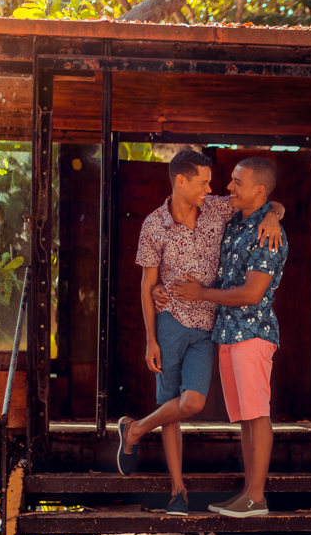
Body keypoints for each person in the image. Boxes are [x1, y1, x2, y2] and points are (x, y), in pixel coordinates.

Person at [117, 149, 282, 516]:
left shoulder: (219, 210)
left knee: (193, 403)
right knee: (170, 404)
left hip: (211, 326)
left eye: (214, 181)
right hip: (170, 322)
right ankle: (178, 491)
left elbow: (264, 197)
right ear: (181, 181)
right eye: (204, 181)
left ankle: (134, 430)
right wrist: (150, 339)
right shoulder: (154, 225)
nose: (214, 188)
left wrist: (273, 214)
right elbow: (147, 286)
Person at [167, 157, 287, 518]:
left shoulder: (267, 235)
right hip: (229, 333)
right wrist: (274, 211)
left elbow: (252, 294)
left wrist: (200, 294)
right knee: (246, 417)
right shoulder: (237, 219)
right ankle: (248, 493)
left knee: (257, 415)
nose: (228, 187)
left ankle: (256, 497)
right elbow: (274, 204)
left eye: (237, 182)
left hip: (252, 332)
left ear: (258, 191)